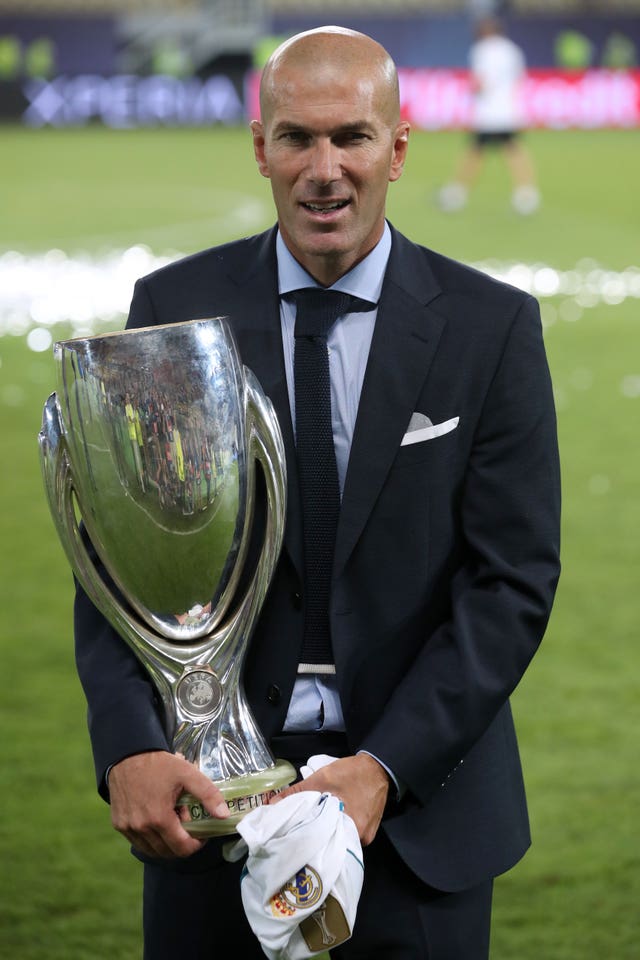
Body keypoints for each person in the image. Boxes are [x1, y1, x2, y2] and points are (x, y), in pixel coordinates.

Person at [74, 25, 561, 959]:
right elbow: (119, 568)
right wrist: (126, 745)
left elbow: (511, 582)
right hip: (209, 818)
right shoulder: (172, 308)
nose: (324, 169)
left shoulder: (491, 328)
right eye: (297, 137)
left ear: (400, 149)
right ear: (261, 146)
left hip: (421, 824)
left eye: (353, 138)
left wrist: (385, 768)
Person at [438, 16, 541, 215]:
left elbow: (480, 82)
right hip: (508, 110)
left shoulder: (482, 50)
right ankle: (527, 193)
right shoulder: (512, 50)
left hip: (488, 112)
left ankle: (456, 193)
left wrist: (471, 93)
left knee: (475, 151)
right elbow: (520, 79)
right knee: (513, 151)